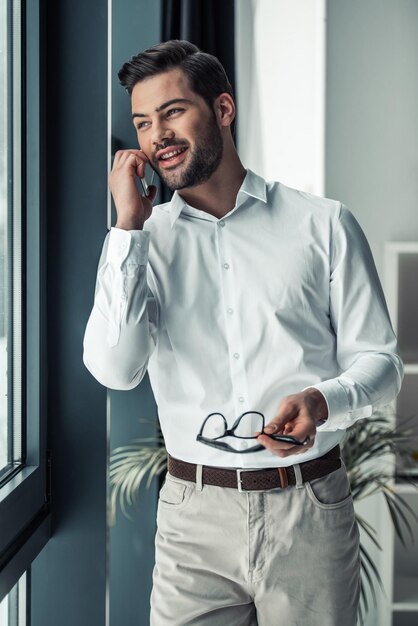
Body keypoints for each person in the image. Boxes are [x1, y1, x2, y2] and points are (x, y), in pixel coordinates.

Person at [83, 40, 403, 626]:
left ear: (223, 109)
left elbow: (380, 365)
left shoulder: (323, 225)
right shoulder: (141, 246)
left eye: (173, 111)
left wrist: (322, 399)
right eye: (143, 122)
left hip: (307, 507)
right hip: (192, 517)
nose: (158, 135)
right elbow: (113, 368)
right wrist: (128, 227)